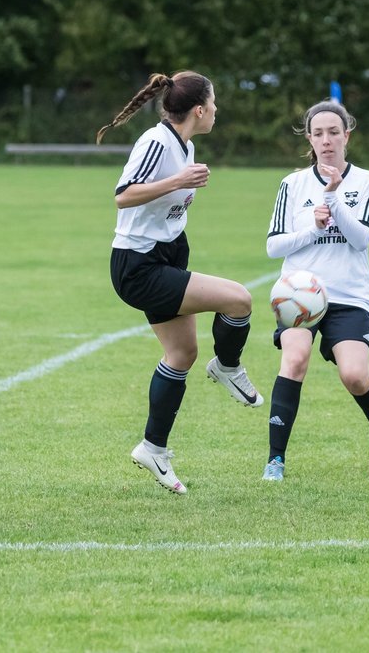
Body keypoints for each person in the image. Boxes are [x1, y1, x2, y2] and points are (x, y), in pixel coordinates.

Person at [98, 70, 259, 495]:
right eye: (215, 103)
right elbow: (123, 194)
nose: (217, 111)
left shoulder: (185, 145)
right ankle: (227, 367)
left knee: (182, 351)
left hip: (166, 253)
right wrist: (179, 181)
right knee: (239, 300)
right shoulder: (156, 141)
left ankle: (153, 448)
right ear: (200, 110)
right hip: (138, 264)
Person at [261, 100, 369, 482]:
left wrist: (334, 198)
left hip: (348, 297)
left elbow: (361, 239)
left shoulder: (368, 181)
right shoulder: (292, 184)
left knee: (354, 375)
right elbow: (274, 246)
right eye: (318, 133)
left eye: (333, 132)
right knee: (295, 360)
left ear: (346, 135)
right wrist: (312, 229)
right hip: (299, 294)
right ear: (310, 139)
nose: (326, 140)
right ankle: (275, 460)